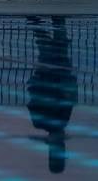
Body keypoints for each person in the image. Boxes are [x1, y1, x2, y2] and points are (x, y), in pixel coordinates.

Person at [26, 15, 77, 174]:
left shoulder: (59, 122)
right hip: (50, 75)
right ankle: (40, 20)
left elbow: (68, 98)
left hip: (55, 74)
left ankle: (47, 19)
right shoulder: (42, 123)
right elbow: (33, 101)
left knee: (53, 42)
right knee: (46, 43)